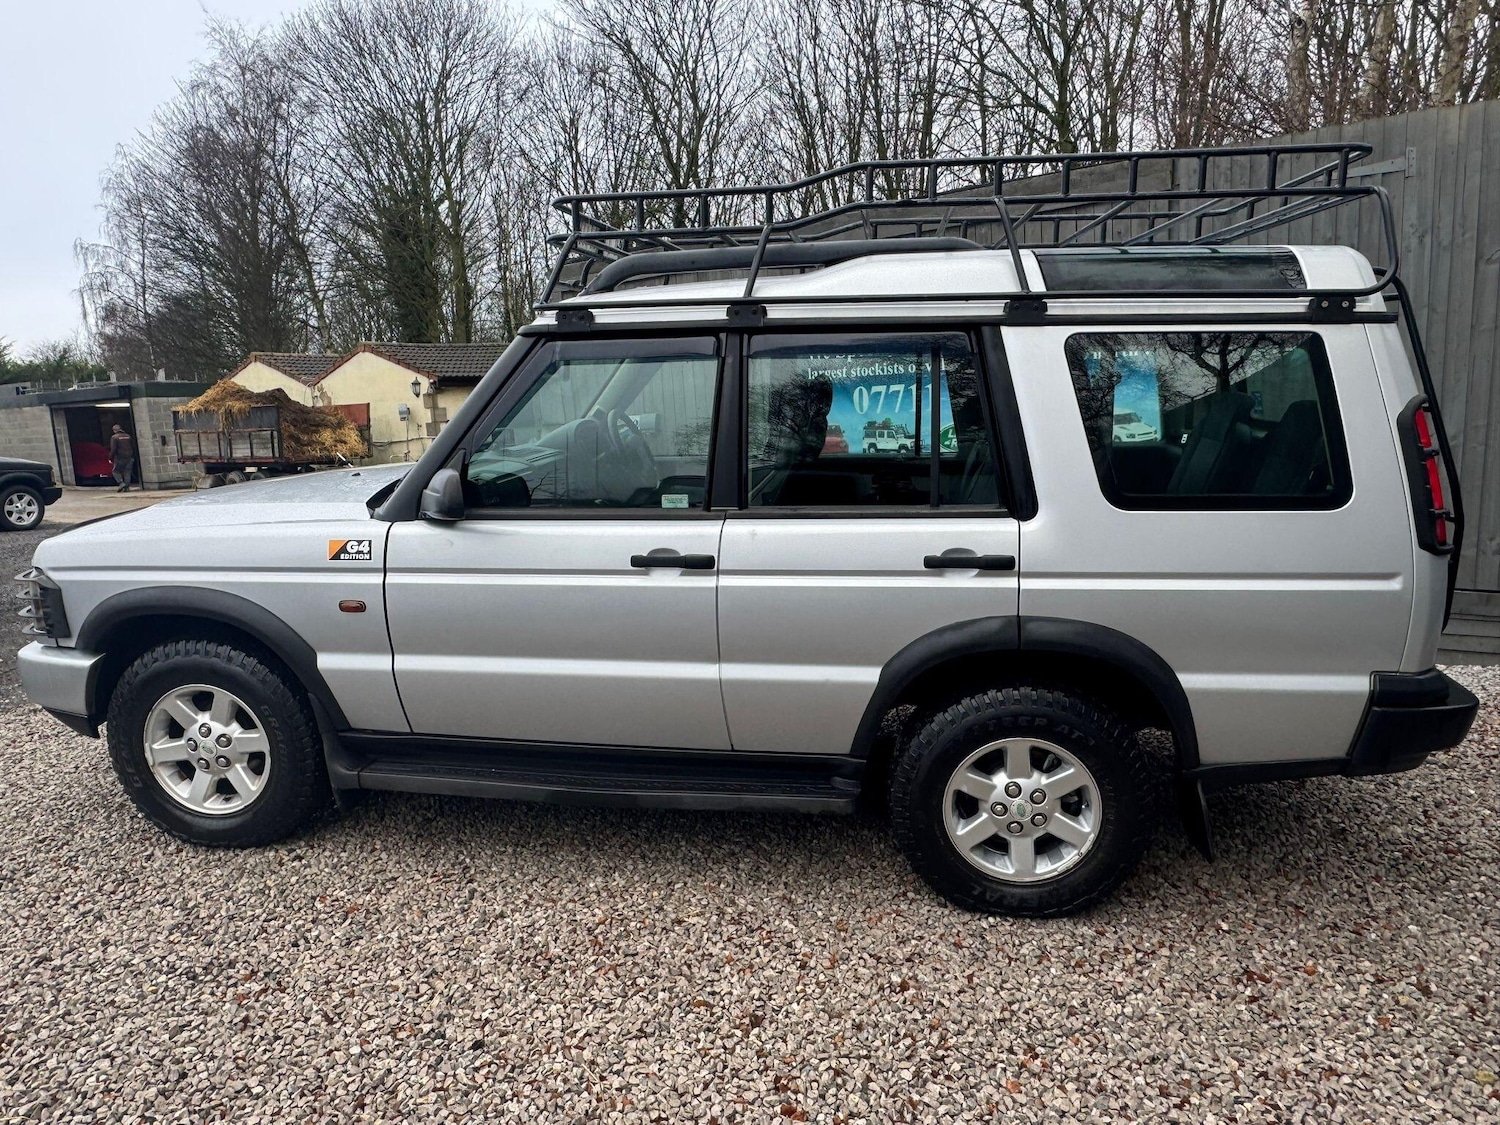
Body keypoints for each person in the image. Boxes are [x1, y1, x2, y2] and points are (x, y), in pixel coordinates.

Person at [108, 424, 135, 492]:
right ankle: (127, 487)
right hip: (129, 456)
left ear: (114, 430)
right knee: (127, 472)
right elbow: (133, 446)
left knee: (115, 471)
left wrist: (110, 458)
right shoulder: (128, 436)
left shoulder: (114, 437)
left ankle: (121, 483)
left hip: (120, 457)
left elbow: (113, 449)